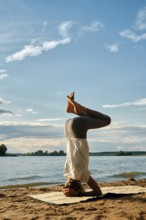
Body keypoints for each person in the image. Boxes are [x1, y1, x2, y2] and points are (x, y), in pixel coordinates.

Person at [62, 92, 111, 197]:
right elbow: (67, 187)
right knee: (101, 120)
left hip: (77, 129)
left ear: (80, 185)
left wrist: (81, 193)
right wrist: (69, 189)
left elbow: (98, 192)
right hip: (68, 129)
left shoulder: (82, 172)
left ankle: (81, 109)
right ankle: (74, 110)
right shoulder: (68, 173)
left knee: (107, 120)